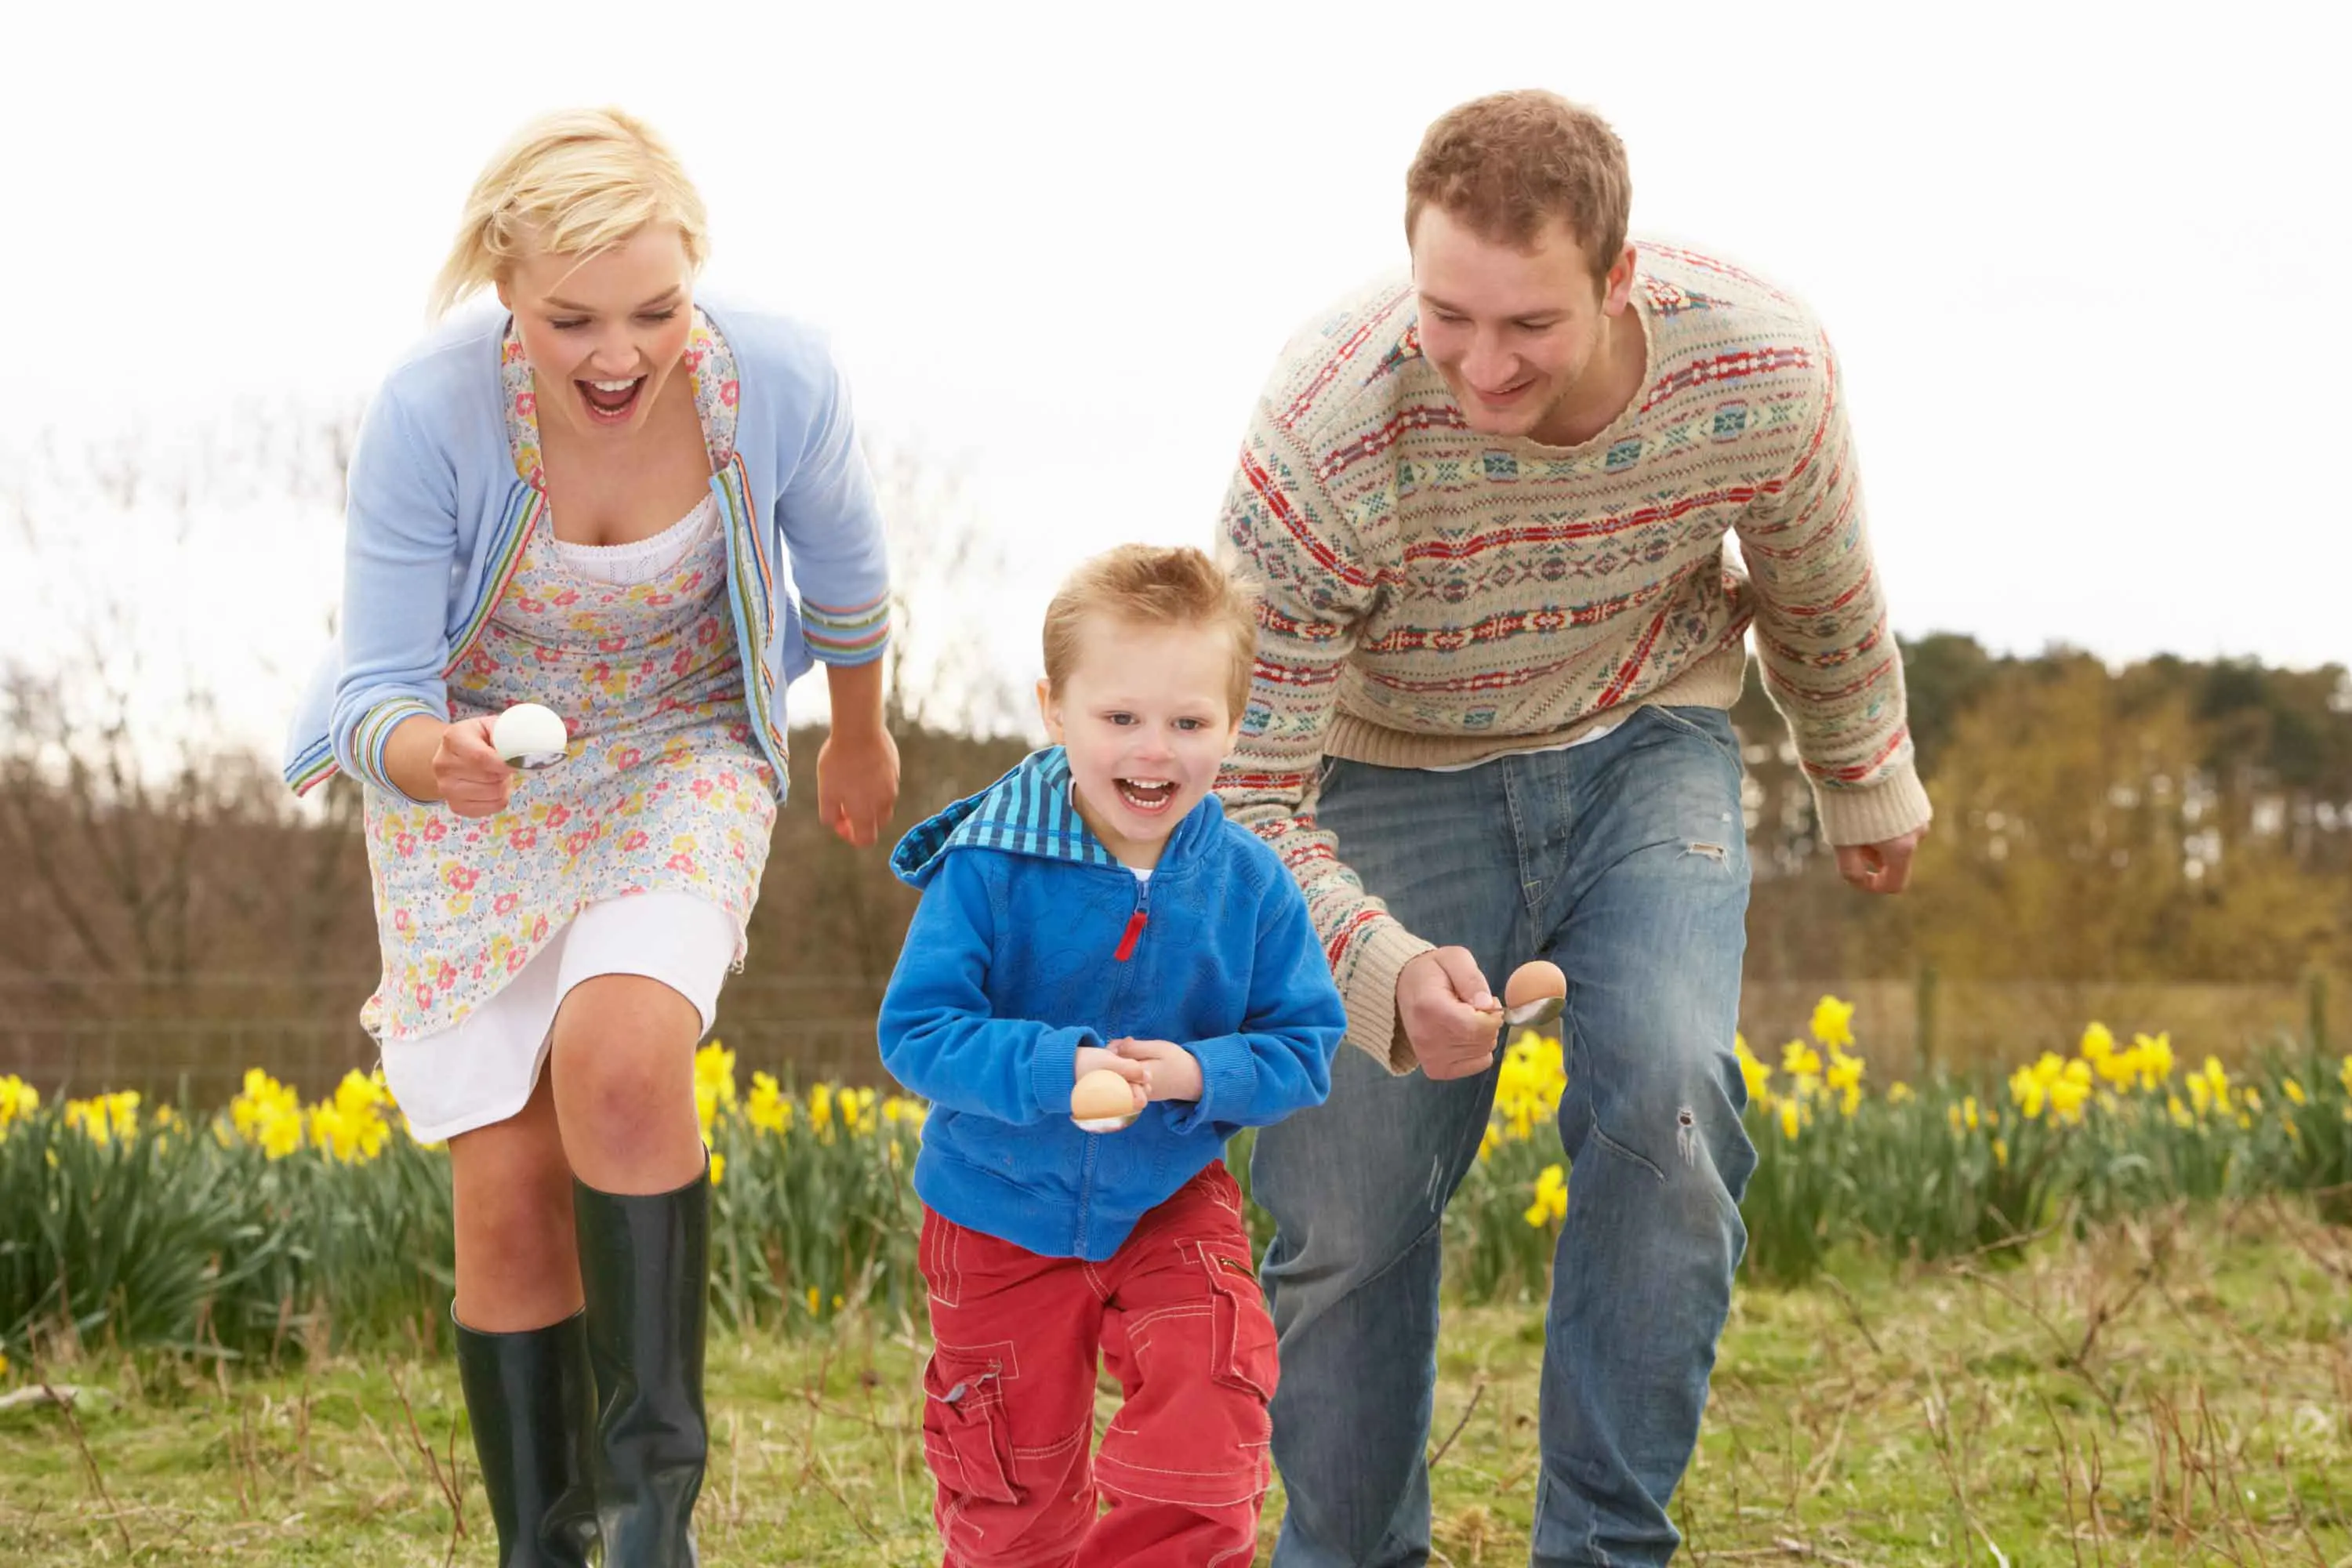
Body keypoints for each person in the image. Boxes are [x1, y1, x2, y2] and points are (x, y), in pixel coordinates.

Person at [1217, 90, 1932, 1566]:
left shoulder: (1760, 366)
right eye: (1446, 314)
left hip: (1642, 732)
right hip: (1386, 765)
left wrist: (1859, 766)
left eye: (1528, 325)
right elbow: (1244, 795)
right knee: (1349, 1210)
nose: (1480, 364)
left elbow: (1813, 576)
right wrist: (1374, 962)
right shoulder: (1326, 430)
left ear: (1618, 279)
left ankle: (1603, 1549)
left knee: (1672, 1095)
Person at [281, 107, 898, 1566]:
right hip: (470, 773)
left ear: (698, 277)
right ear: (504, 287)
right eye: (571, 320)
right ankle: (539, 1547)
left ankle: (648, 1534)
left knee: (621, 1059)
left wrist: (860, 732)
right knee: (504, 1196)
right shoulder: (431, 410)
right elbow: (373, 683)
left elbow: (854, 576)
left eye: (656, 309)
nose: (619, 354)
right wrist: (438, 758)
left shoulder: (780, 378)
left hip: (683, 747)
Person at [877, 544, 1348, 1567]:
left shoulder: (1251, 884)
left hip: (1170, 1192)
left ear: (1235, 720)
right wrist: (1059, 1069)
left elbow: (1306, 1046)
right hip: (996, 1208)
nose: (1155, 750)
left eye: (1189, 722)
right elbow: (916, 1033)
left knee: (1212, 1394)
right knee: (1012, 1487)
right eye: (1121, 718)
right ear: (1055, 710)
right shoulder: (991, 869)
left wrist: (1194, 1077)